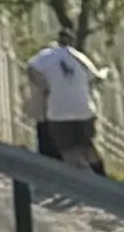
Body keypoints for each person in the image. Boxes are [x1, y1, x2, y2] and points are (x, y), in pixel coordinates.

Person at [27, 37, 106, 172]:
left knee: (67, 148)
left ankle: (77, 178)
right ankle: (101, 175)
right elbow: (95, 76)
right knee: (87, 145)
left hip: (59, 112)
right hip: (84, 110)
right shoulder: (79, 56)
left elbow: (31, 69)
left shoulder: (46, 55)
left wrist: (44, 86)